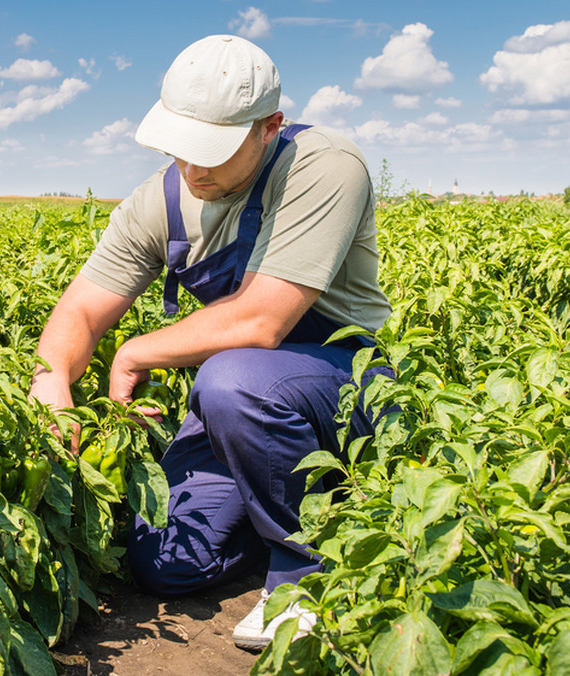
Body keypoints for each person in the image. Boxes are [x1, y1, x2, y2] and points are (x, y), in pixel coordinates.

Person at [28, 34, 393, 650]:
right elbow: (82, 312)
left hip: (343, 383)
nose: (192, 171)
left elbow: (262, 321)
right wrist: (51, 383)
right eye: (182, 150)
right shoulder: (161, 203)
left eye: (212, 154)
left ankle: (307, 575)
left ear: (268, 127)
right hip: (246, 405)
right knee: (165, 559)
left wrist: (134, 352)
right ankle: (299, 503)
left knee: (230, 380)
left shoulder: (324, 164)